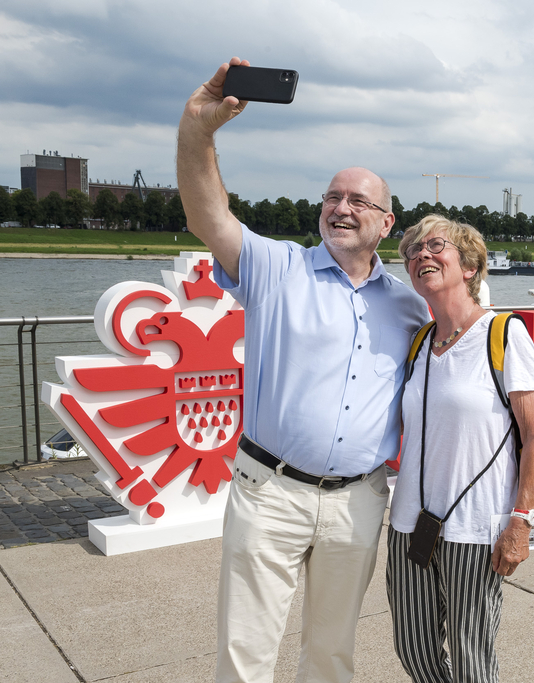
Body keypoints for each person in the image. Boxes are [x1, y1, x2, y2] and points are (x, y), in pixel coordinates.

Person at [177, 58, 430, 683]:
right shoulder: (277, 268)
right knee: (246, 654)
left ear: (386, 223)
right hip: (271, 491)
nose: (341, 208)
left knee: (331, 654)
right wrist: (198, 131)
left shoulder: (409, 307)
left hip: (359, 500)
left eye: (358, 200)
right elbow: (207, 215)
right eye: (332, 197)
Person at [388, 215, 534, 682]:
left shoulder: (503, 333)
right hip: (409, 525)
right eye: (413, 251)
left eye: (435, 246)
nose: (421, 255)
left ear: (471, 267)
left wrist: (521, 521)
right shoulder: (420, 342)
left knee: (471, 660)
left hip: (475, 532)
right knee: (414, 650)